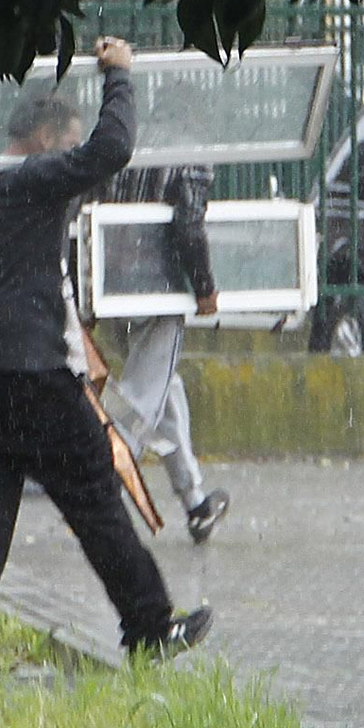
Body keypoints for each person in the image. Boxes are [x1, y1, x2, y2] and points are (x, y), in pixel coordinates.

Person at [0, 37, 213, 675]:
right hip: (30, 374)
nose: (76, 167)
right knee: (96, 493)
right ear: (45, 141)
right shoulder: (34, 180)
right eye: (66, 146)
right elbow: (113, 149)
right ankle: (151, 630)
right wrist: (118, 76)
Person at [96, 164, 233, 544]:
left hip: (113, 290)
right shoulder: (190, 156)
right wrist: (205, 286)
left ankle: (195, 502)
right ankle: (100, 490)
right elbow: (189, 223)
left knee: (162, 391)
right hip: (157, 292)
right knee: (142, 400)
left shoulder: (129, 144)